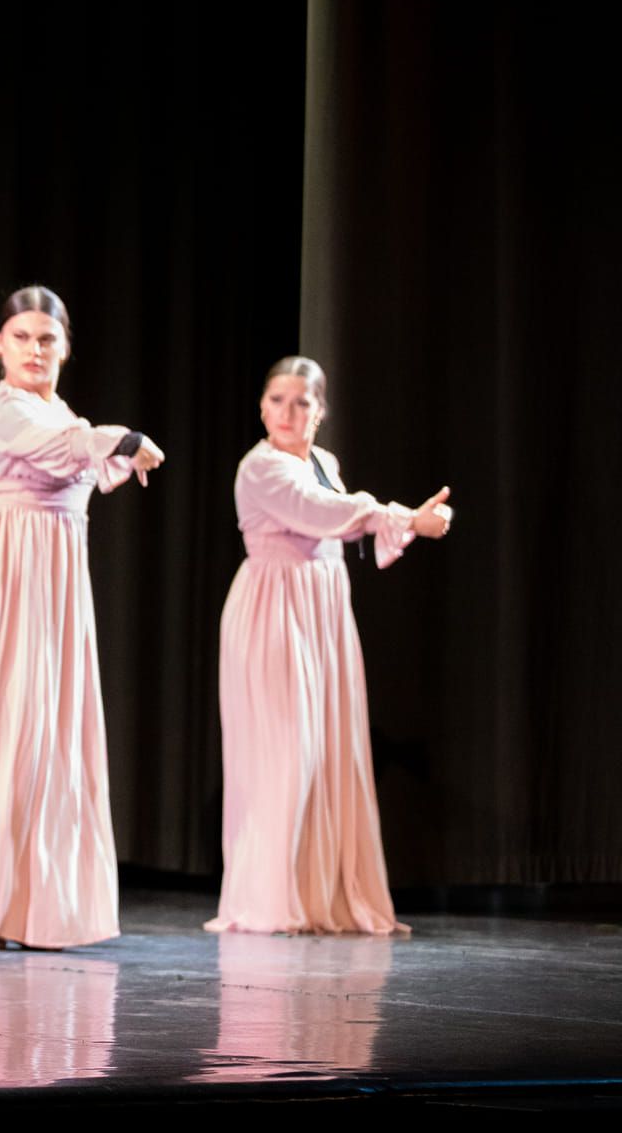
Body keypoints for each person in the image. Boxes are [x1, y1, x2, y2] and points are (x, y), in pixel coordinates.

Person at [0, 286, 163, 950]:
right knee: (9, 722)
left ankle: (39, 901)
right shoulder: (5, 408)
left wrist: (111, 450)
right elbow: (61, 448)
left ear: (66, 347)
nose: (33, 348)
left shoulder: (59, 410)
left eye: (46, 338)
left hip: (56, 568)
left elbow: (80, 459)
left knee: (53, 725)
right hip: (11, 565)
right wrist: (122, 439)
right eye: (20, 336)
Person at [207, 356, 450, 935]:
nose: (288, 413)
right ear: (261, 407)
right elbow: (321, 512)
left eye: (302, 402)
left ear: (321, 411)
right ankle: (269, 900)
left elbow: (333, 516)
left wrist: (396, 522)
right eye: (277, 400)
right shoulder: (260, 468)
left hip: (322, 607)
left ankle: (321, 898)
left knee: (329, 748)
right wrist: (404, 519)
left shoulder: (324, 461)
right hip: (274, 607)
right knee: (284, 750)